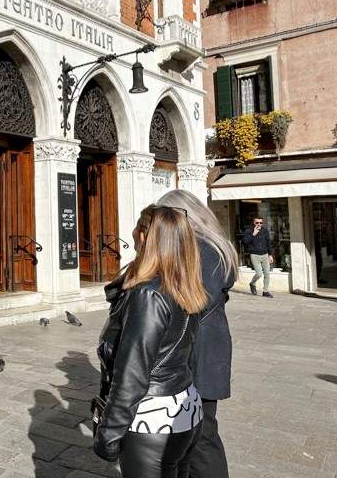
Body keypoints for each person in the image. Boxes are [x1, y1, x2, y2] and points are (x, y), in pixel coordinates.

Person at [94, 205, 207, 477]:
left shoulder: (149, 295)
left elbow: (133, 372)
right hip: (185, 408)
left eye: (136, 227)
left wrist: (109, 433)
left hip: (150, 417)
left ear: (143, 237)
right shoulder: (182, 284)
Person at [157, 190, 237, 478]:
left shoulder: (203, 250)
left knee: (202, 435)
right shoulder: (212, 246)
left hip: (200, 352)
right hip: (206, 347)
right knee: (195, 432)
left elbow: (196, 301)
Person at [242, 216, 274, 297]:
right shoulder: (249, 231)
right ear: (254, 223)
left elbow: (268, 243)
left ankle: (265, 291)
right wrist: (253, 234)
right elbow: (245, 241)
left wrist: (270, 255)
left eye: (261, 223)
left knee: (267, 274)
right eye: (257, 222)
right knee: (259, 273)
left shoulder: (265, 231)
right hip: (254, 255)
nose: (259, 224)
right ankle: (252, 284)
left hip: (265, 255)